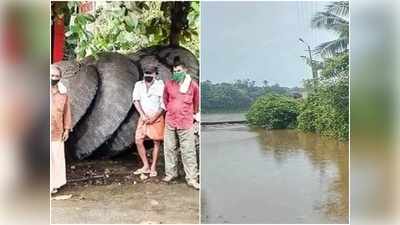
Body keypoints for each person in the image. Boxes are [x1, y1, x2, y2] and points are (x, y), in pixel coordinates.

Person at [162, 59, 200, 190]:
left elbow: (196, 104)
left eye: (179, 71)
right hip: (171, 121)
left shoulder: (193, 86)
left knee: (188, 150)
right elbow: (165, 100)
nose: (176, 73)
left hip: (186, 122)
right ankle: (171, 174)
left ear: (185, 70)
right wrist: (172, 109)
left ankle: (191, 178)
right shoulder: (169, 84)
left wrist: (190, 114)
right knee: (169, 148)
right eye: (174, 71)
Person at [132, 66, 165, 177]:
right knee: (138, 140)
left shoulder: (160, 86)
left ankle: (153, 167)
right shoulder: (138, 85)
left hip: (156, 117)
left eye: (150, 74)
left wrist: (155, 117)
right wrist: (142, 114)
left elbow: (163, 105)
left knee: (156, 142)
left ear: (155, 74)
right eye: (146, 74)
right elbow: (136, 100)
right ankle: (145, 165)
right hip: (144, 117)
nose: (148, 76)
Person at [50, 64, 72, 193]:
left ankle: (55, 183)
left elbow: (67, 112)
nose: (54, 78)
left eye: (56, 76)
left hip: (57, 131)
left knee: (56, 157)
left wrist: (67, 129)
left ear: (60, 78)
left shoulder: (63, 94)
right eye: (52, 75)